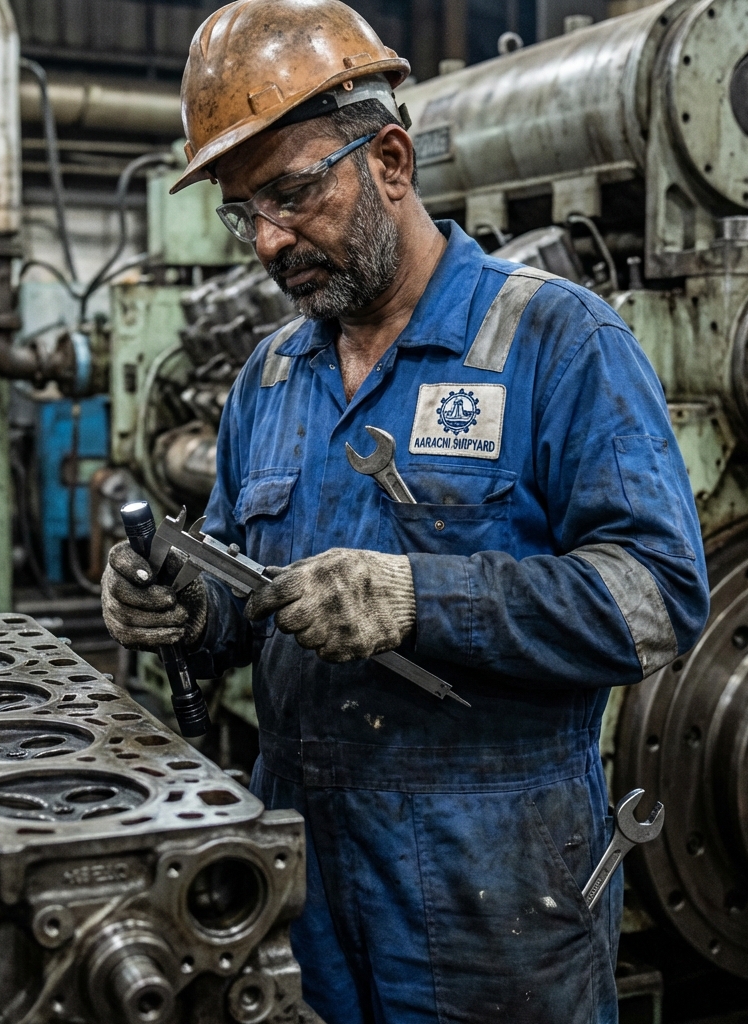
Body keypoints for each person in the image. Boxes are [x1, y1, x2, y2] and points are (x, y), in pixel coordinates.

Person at [101, 2, 710, 1021]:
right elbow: (245, 594)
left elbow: (658, 598)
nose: (269, 239)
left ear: (390, 160)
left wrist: (418, 598)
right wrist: (189, 604)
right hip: (304, 876)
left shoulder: (557, 343)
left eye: (293, 193)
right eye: (243, 213)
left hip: (497, 889)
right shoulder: (271, 376)